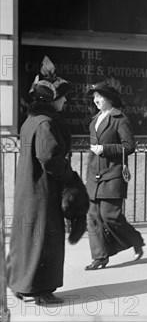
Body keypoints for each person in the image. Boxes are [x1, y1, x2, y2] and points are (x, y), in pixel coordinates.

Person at [7, 57, 73, 305]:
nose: (65, 101)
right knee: (45, 237)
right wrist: (68, 173)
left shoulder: (29, 122)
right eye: (62, 97)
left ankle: (22, 285)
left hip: (28, 190)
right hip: (43, 191)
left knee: (26, 238)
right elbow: (48, 158)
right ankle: (41, 290)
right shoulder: (46, 123)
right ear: (52, 99)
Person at [85, 79, 145, 270]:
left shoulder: (120, 119)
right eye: (94, 97)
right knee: (93, 217)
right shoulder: (94, 120)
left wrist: (105, 149)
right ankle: (99, 257)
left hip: (112, 174)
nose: (96, 100)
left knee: (110, 215)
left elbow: (129, 146)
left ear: (109, 99)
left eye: (99, 96)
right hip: (94, 174)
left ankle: (134, 238)